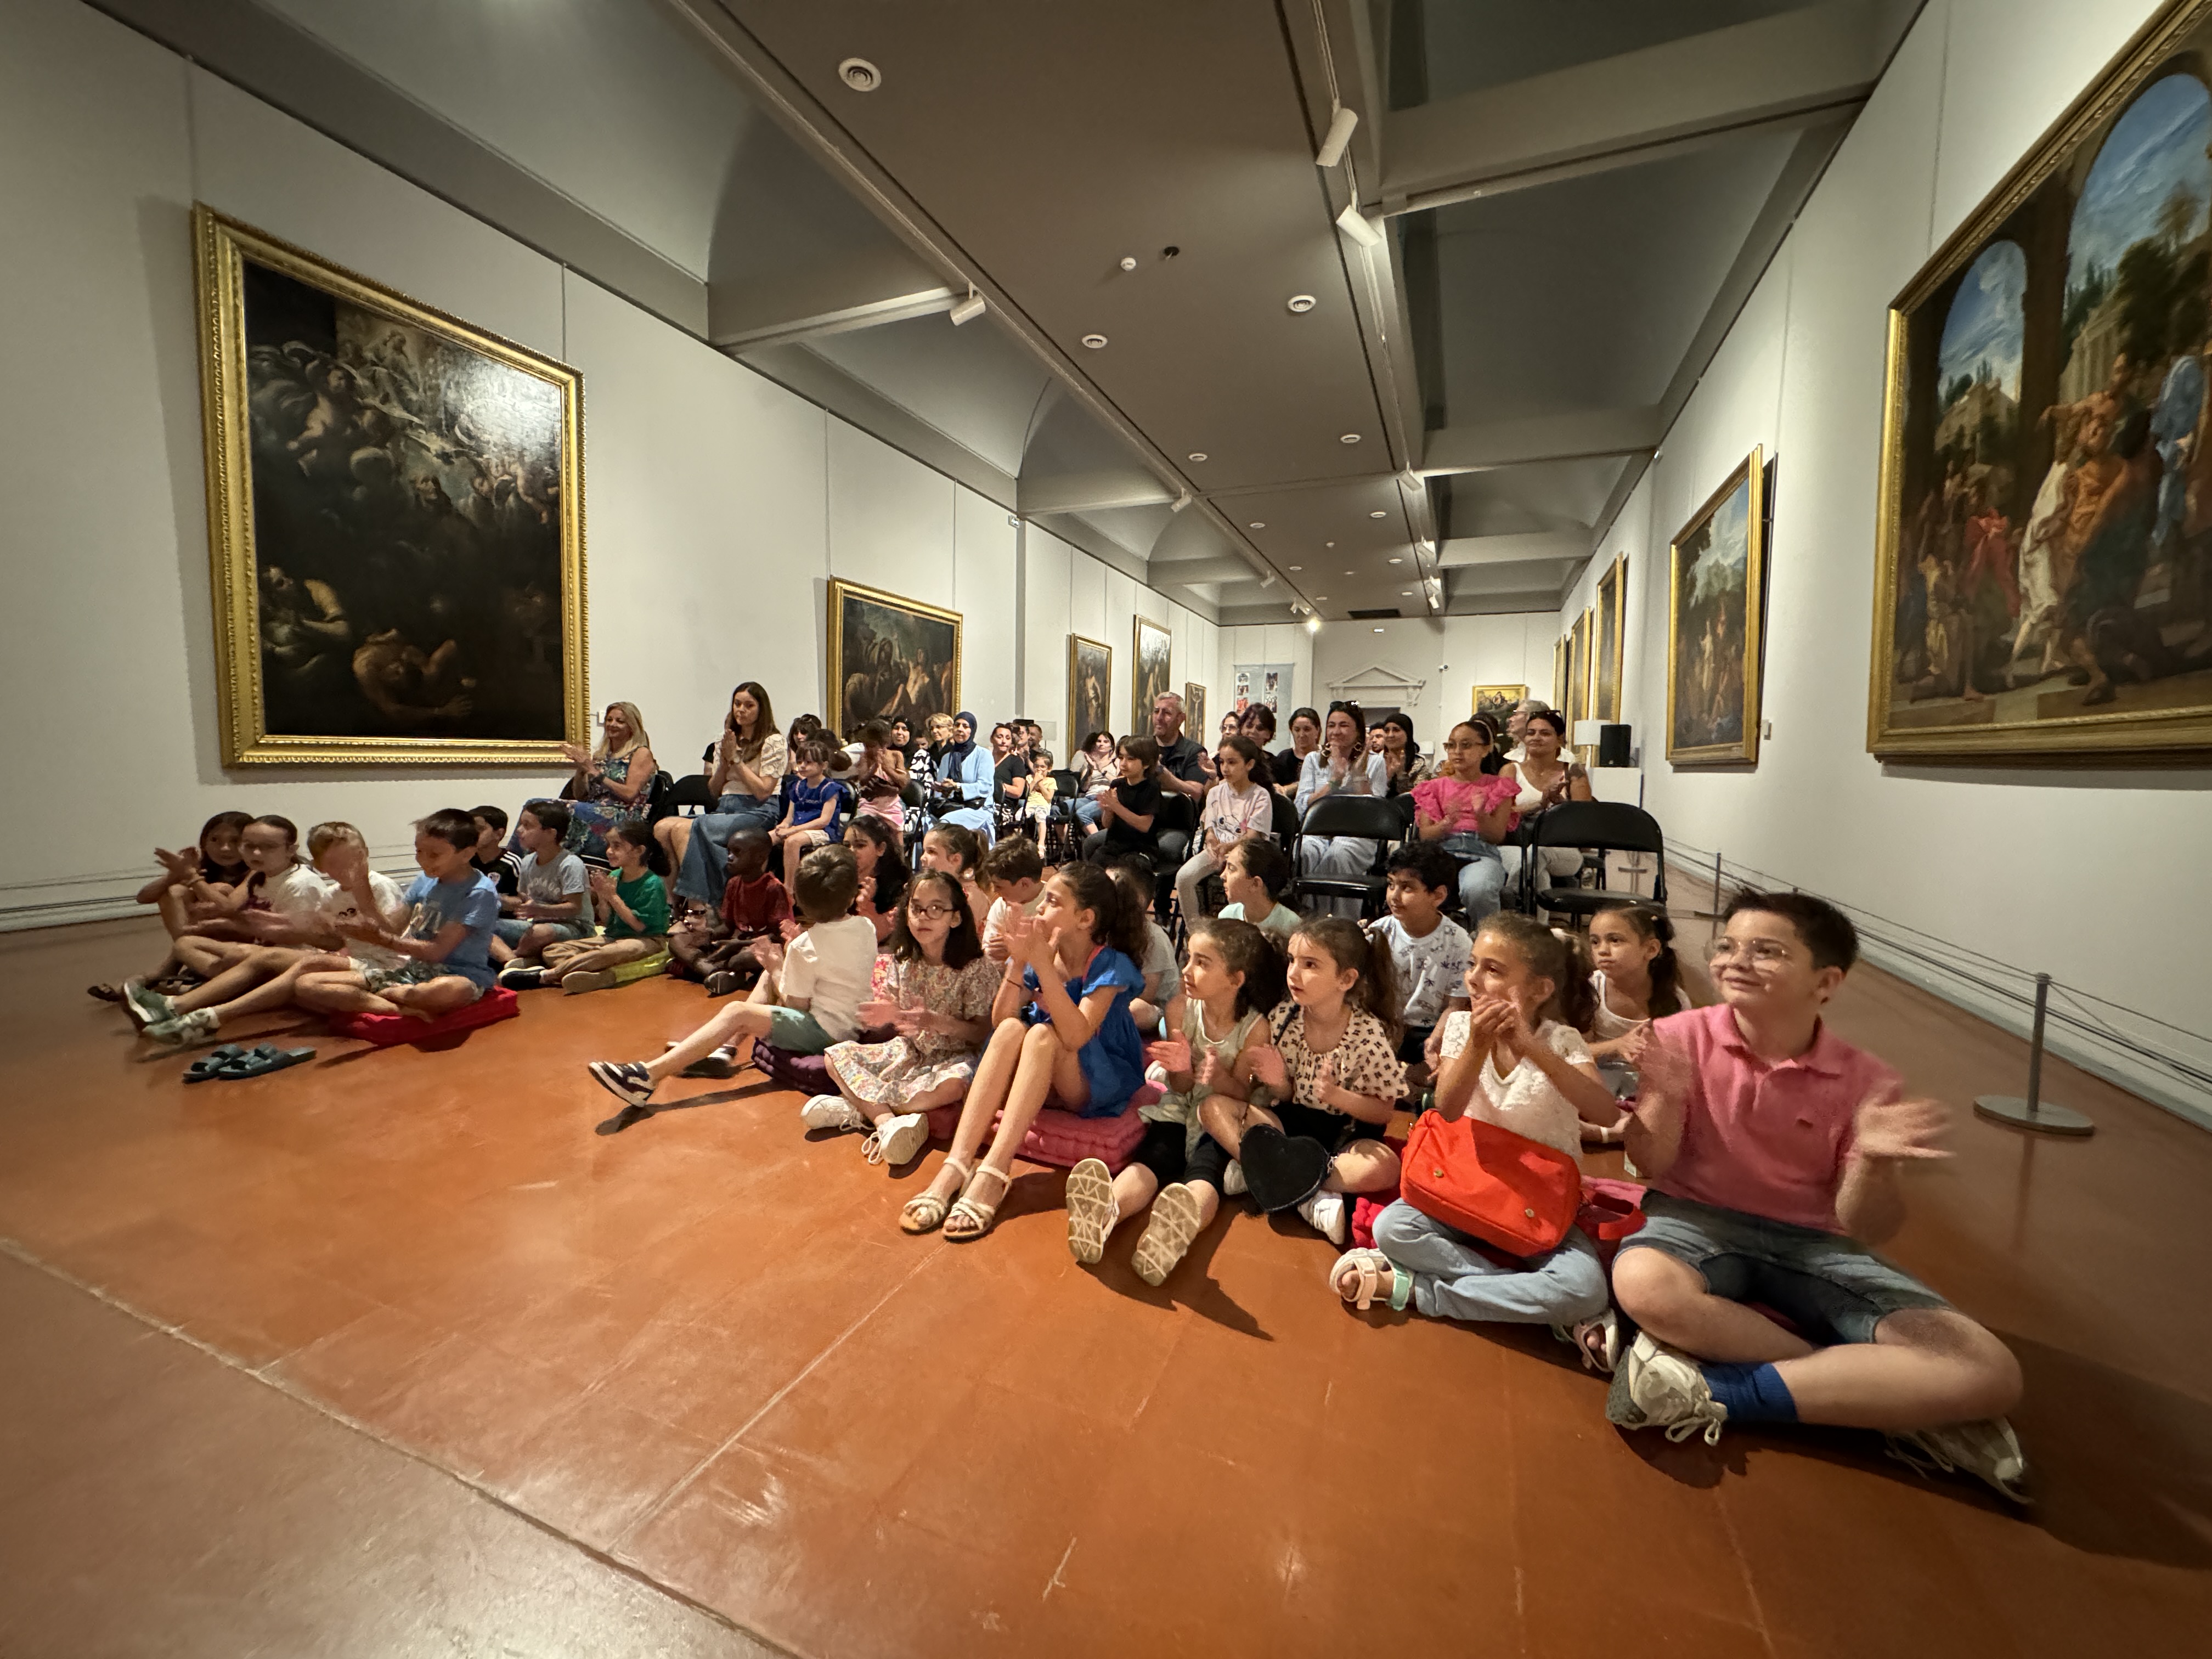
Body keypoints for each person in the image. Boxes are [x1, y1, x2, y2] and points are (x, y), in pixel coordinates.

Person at [1605, 891, 2027, 1500]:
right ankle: (1873, 1395)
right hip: (1693, 1220)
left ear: (1826, 982)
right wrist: (1666, 1094)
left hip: (1814, 1244)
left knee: (1989, 1369)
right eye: (1727, 947)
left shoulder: (1868, 1082)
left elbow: (1868, 1226)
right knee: (1645, 1286)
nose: (1735, 961)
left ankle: (1720, 1392)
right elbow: (1651, 1164)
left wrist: (1874, 1162)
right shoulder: (1677, 1037)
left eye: (1767, 951)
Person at [1331, 915, 1621, 1365]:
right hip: (1468, 1182)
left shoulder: (1561, 1040)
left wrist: (1532, 1048)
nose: (1475, 978)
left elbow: (1604, 1112)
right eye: (1473, 964)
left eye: (1494, 970)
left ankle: (1423, 1292)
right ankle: (1529, 1301)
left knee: (1584, 1287)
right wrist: (1478, 1045)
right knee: (1393, 1229)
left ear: (1540, 989)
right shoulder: (1464, 1029)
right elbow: (1445, 1107)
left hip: (1538, 1201)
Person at [898, 863, 1149, 1242]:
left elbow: (1079, 1035)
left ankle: (994, 1172)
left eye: (1050, 902)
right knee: (1017, 1028)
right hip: (1045, 1075)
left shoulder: (1111, 964)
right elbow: (1001, 1020)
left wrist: (1044, 967)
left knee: (1044, 1036)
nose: (1039, 911)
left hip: (1098, 1077)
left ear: (1084, 919)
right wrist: (1018, 961)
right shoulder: (1041, 953)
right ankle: (957, 1164)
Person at [1065, 916, 1283, 1283]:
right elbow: (1180, 1088)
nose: (1187, 970)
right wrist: (1183, 1069)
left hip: (1224, 1115)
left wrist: (1217, 1077)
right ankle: (1106, 1213)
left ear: (1236, 980)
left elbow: (1244, 1094)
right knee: (1152, 1157)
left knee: (1205, 1172)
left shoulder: (1255, 1026)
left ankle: (1173, 1234)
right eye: (1189, 958)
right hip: (1182, 1107)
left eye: (1202, 963)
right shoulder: (1180, 1008)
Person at [586, 846, 877, 1121]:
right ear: (854, 892)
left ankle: (646, 1077)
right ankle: (726, 1049)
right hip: (849, 1021)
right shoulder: (866, 927)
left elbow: (795, 1005)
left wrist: (777, 967)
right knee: (767, 975)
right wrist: (780, 966)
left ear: (798, 899)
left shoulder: (805, 946)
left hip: (827, 1032)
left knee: (738, 1010)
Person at [1197, 916, 1405, 1246]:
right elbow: (1285, 1095)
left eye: (1310, 965)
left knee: (1387, 1167)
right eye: (1293, 960)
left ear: (1346, 979)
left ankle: (1269, 1174)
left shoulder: (1368, 1034)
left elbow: (1383, 1113)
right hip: (1289, 1129)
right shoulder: (1284, 1017)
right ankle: (1306, 1192)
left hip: (1344, 1138)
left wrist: (1337, 1096)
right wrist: (1278, 1082)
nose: (1294, 972)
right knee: (1212, 1108)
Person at [131, 822, 409, 1045]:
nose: (349, 870)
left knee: (278, 964)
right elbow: (332, 940)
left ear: (366, 854)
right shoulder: (332, 895)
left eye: (355, 860)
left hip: (382, 966)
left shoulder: (379, 886)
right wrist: (279, 928)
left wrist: (278, 930)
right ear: (322, 866)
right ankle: (183, 1008)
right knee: (198, 946)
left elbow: (391, 936)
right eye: (337, 864)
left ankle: (197, 1012)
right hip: (355, 960)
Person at [810, 872, 1002, 1167]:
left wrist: (935, 1021)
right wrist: (888, 1015)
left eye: (936, 909)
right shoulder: (902, 959)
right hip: (910, 1051)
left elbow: (981, 1034)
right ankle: (886, 1122)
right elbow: (897, 1016)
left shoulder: (976, 969)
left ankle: (861, 1107)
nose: (924, 917)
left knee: (954, 1086)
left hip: (956, 1057)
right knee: (835, 1057)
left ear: (955, 918)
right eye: (917, 908)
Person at [289, 809, 500, 1021]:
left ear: (467, 854)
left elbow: (436, 952)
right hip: (411, 973)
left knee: (453, 989)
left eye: (434, 855)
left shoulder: (479, 893)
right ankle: (399, 1007)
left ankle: (387, 996)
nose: (423, 861)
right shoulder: (426, 880)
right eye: (419, 852)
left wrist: (380, 938)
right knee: (307, 985)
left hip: (458, 975)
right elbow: (393, 927)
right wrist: (362, 886)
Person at [91, 811, 253, 1001]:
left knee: (220, 889)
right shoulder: (205, 867)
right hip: (201, 937)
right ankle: (179, 958)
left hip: (246, 936)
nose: (225, 848)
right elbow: (144, 897)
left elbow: (228, 907)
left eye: (235, 841)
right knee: (174, 891)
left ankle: (166, 971)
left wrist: (193, 878)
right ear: (204, 843)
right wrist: (175, 875)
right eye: (215, 840)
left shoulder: (254, 871)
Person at [660, 682, 786, 907]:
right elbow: (715, 790)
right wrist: (726, 761)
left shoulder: (773, 741)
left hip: (758, 810)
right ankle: (673, 902)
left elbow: (763, 791)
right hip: (726, 807)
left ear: (761, 710)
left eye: (749, 705)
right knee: (662, 828)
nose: (741, 710)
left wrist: (737, 760)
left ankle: (698, 905)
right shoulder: (725, 740)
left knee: (688, 829)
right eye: (737, 704)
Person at [520, 819, 670, 994]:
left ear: (639, 851)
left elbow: (639, 926)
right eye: (609, 845)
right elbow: (606, 920)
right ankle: (590, 973)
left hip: (646, 939)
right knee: (554, 950)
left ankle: (547, 975)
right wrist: (602, 895)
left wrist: (612, 896)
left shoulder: (652, 883)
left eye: (617, 846)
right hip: (613, 936)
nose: (609, 851)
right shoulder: (615, 875)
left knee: (605, 954)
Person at [1368, 842, 1471, 1087]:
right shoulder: (1379, 932)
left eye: (1407, 888)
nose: (1394, 896)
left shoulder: (1458, 942)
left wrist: (1435, 1042)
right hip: (1384, 1023)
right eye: (1391, 884)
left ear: (1438, 895)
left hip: (1428, 1030)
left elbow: (1455, 1006)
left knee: (1444, 1064)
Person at [1410, 720, 1522, 924]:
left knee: (1478, 889)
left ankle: (1487, 941)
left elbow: (1496, 836)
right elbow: (1425, 836)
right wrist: (1447, 822)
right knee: (1415, 884)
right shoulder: (1433, 787)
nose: (1457, 752)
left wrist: (1480, 814)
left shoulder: (1498, 787)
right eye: (1451, 745)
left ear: (1486, 749)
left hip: (1482, 854)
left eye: (1466, 745)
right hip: (1442, 853)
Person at [1584, 899, 1691, 1108]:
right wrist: (1618, 1045)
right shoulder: (1590, 989)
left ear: (1651, 949)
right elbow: (1572, 1051)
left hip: (1648, 1082)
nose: (1602, 950)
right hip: (1596, 1076)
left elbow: (1680, 1063)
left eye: (1615, 940)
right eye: (1595, 942)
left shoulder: (1675, 999)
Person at [664, 828, 788, 995]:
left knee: (743, 959)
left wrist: (738, 945)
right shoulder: (733, 884)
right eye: (729, 851)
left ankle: (703, 969)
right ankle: (714, 972)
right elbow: (728, 927)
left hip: (759, 947)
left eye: (737, 853)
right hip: (736, 943)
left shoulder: (773, 888)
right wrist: (707, 936)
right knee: (677, 941)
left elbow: (777, 936)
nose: (729, 857)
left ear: (759, 857)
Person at [1295, 703, 1389, 918]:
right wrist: (1334, 782)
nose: (1336, 731)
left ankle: (1341, 923)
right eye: (1331, 725)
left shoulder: (1375, 762)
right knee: (1306, 851)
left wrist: (1357, 774)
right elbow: (1301, 805)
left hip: (1357, 834)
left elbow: (1375, 813)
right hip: (1318, 832)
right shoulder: (1313, 759)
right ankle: (1312, 920)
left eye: (1344, 725)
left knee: (1339, 854)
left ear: (1358, 731)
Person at [1174, 733, 1273, 925]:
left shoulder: (1260, 796)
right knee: (1184, 877)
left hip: (1246, 854)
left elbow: (1252, 836)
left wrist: (1228, 847)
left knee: (1237, 884)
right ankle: (1195, 931)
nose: (1225, 769)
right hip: (1217, 852)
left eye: (1232, 763)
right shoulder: (1216, 792)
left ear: (1249, 765)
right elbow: (1210, 829)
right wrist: (1212, 841)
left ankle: (1239, 929)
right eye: (1222, 762)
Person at [488, 801, 593, 968]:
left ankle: (516, 959)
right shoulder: (527, 862)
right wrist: (500, 901)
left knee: (539, 933)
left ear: (550, 833)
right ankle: (516, 962)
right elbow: (524, 899)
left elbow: (575, 908)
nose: (519, 831)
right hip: (536, 925)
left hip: (576, 928)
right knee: (484, 925)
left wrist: (539, 910)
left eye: (527, 826)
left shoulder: (570, 864)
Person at [560, 702, 658, 861]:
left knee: (564, 810)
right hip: (592, 808)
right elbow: (580, 795)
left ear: (632, 726)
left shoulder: (641, 753)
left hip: (623, 813)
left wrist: (594, 772)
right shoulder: (601, 755)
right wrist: (581, 769)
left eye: (620, 721)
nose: (613, 725)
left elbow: (630, 793)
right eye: (610, 720)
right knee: (540, 808)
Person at [1514, 709, 1593, 885]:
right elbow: (1501, 815)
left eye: (1545, 733)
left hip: (1563, 849)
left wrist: (1561, 806)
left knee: (1537, 855)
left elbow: (1584, 823)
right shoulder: (1511, 771)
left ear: (1559, 739)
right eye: (1531, 733)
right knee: (1540, 876)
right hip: (1518, 844)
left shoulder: (1574, 771)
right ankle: (1533, 913)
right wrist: (1539, 804)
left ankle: (1510, 899)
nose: (1536, 738)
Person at [1104, 859, 1178, 1032]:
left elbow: (1147, 996)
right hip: (1110, 998)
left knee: (1135, 1010)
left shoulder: (1153, 937)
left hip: (1154, 1008)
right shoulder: (1102, 928)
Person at [1146, 692, 1210, 881]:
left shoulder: (1194, 752)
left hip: (1178, 826)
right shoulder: (1143, 748)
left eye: (1167, 713)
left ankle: (1162, 907)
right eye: (1156, 711)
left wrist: (1162, 773)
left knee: (1164, 850)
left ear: (1181, 719)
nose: (1159, 717)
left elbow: (1196, 792)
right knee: (1094, 844)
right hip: (1141, 819)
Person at [771, 738, 845, 891]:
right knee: (766, 838)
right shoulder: (797, 786)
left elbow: (823, 821)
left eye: (809, 762)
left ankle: (789, 889)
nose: (803, 766)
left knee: (792, 842)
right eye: (800, 762)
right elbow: (790, 817)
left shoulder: (831, 789)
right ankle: (766, 881)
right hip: (798, 828)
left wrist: (792, 830)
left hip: (823, 832)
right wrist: (784, 825)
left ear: (824, 765)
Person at [1082, 735, 1161, 867]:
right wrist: (1108, 810)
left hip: (1140, 849)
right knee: (1092, 873)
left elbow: (1144, 825)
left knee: (1126, 874)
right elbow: (1107, 824)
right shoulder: (1117, 784)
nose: (1123, 764)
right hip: (1114, 846)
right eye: (1121, 758)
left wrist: (1116, 806)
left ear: (1147, 763)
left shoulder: (1151, 787)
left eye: (1131, 759)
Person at [1217, 834, 1299, 943]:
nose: (1222, 876)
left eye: (1231, 869)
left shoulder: (1291, 926)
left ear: (1255, 884)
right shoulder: (1227, 917)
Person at [977, 836, 1046, 963]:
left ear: (1024, 884)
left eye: (999, 886)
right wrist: (993, 953)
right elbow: (988, 951)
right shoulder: (1001, 906)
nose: (994, 891)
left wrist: (1017, 950)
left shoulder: (1054, 903)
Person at [930, 713, 996, 844]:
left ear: (972, 730)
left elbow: (985, 787)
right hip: (952, 806)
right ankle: (922, 865)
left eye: (965, 726)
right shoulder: (947, 758)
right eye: (957, 725)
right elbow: (940, 794)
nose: (960, 729)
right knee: (925, 822)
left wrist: (957, 786)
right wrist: (943, 789)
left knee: (946, 822)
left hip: (978, 809)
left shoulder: (983, 755)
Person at [843, 815, 909, 945]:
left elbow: (882, 936)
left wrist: (866, 906)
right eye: (847, 845)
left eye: (860, 845)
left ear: (881, 849)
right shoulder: (840, 879)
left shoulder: (898, 885)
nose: (851, 851)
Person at [849, 719, 910, 843]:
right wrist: (875, 767)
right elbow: (862, 781)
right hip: (870, 804)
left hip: (891, 804)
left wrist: (887, 769)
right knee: (860, 828)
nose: (868, 749)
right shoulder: (865, 758)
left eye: (872, 746)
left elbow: (904, 782)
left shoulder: (896, 756)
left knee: (897, 835)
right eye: (867, 746)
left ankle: (900, 860)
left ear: (884, 744)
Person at [921, 823, 990, 929]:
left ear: (956, 859)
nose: (922, 858)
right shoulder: (945, 889)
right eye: (924, 851)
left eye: (931, 852)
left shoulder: (969, 898)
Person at [467, 806, 520, 896]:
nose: (473, 834)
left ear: (499, 834)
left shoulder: (512, 862)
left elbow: (522, 899)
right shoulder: (466, 860)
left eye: (480, 829)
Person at [1073, 730, 1118, 828]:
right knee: (1058, 809)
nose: (1101, 744)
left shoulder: (1116, 762)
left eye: (1106, 742)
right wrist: (1090, 770)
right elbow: (1084, 788)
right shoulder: (1089, 763)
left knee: (1082, 813)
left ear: (1111, 747)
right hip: (1089, 797)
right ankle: (1066, 843)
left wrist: (1101, 769)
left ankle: (1096, 842)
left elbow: (1117, 783)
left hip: (1104, 798)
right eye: (1099, 741)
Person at [1275, 706, 1322, 795]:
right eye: (1297, 730)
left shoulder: (1327, 755)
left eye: (1307, 730)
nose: (1302, 735)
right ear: (1291, 731)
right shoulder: (1283, 759)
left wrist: (1294, 787)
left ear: (1317, 731)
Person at [1377, 713, 1427, 794]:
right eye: (1386, 731)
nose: (1390, 735)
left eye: (1396, 730)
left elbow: (1418, 798)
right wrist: (1388, 777)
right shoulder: (1376, 761)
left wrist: (1401, 774)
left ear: (1408, 734)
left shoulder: (1418, 765)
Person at [1022, 748, 1058, 840]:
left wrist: (1040, 784)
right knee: (1019, 816)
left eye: (1042, 767)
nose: (1039, 769)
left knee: (1041, 817)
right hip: (1029, 804)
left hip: (1043, 805)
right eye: (1036, 766)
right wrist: (1035, 781)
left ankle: (1041, 844)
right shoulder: (1029, 778)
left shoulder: (1051, 781)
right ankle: (1019, 842)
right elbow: (1026, 794)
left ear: (1049, 769)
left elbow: (1049, 797)